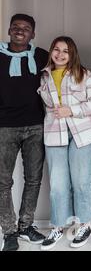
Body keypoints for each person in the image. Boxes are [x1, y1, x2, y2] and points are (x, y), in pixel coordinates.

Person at [37, 36, 91, 250]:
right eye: (56, 49)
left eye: (66, 51)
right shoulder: (44, 77)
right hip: (55, 134)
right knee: (57, 184)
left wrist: (71, 110)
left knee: (82, 180)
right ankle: (58, 225)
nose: (60, 54)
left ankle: (85, 222)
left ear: (72, 54)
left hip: (83, 134)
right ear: (51, 52)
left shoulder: (83, 74)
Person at [0, 14, 47, 251]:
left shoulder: (40, 56)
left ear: (33, 34)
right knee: (3, 181)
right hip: (4, 127)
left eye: (26, 28)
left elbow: (62, 76)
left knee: (34, 179)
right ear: (9, 30)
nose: (20, 31)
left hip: (36, 127)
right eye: (16, 27)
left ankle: (25, 225)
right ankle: (9, 232)